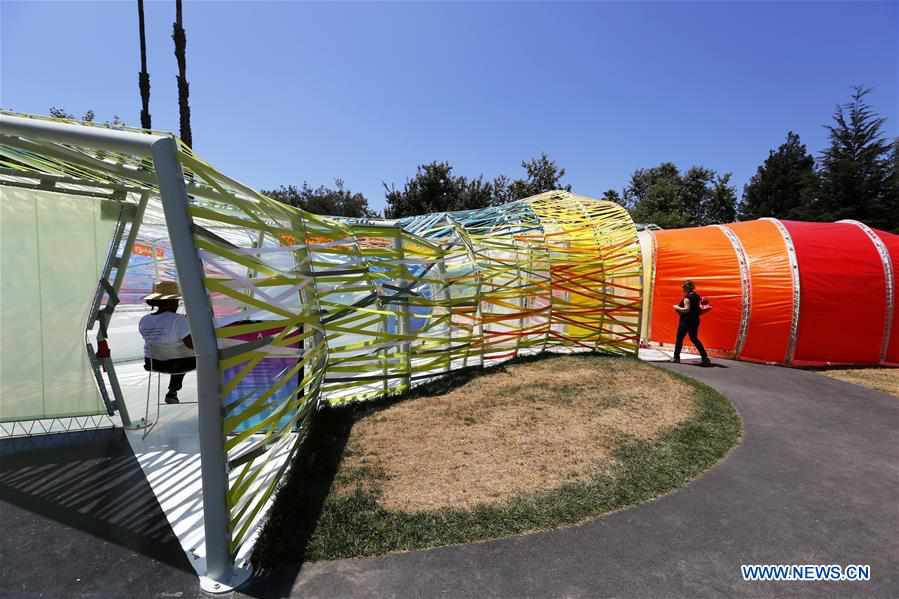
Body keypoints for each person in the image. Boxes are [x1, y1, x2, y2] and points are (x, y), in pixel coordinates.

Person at [139, 281, 195, 404]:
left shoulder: (144, 320)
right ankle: (217, 394)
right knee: (205, 354)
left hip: (153, 362)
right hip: (178, 364)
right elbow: (192, 345)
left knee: (175, 353)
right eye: (176, 300)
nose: (178, 303)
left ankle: (173, 392)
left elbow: (161, 339)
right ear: (170, 301)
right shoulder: (178, 320)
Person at [672, 280, 712, 365]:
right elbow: (699, 309)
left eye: (684, 287)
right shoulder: (697, 297)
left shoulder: (687, 298)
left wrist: (676, 307)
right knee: (694, 338)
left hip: (686, 321)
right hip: (695, 320)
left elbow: (686, 309)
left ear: (687, 288)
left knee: (679, 338)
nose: (683, 289)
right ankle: (705, 357)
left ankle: (676, 357)